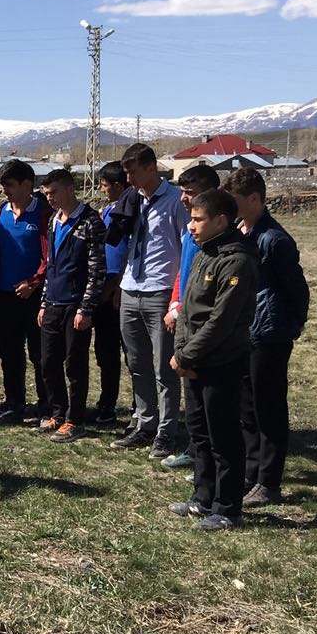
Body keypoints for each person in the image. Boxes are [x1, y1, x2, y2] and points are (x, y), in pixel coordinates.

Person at [170, 188, 258, 531]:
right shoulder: (204, 253)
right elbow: (187, 311)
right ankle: (203, 497)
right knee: (200, 433)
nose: (191, 226)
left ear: (221, 220)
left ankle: (227, 508)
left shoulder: (236, 260)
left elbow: (221, 320)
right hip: (193, 362)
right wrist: (182, 352)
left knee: (223, 437)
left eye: (197, 219)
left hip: (221, 361)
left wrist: (187, 354)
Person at [227, 167, 309, 507]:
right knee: (247, 408)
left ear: (254, 199)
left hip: (269, 333)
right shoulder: (240, 231)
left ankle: (269, 482)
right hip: (245, 331)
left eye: (235, 200)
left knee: (269, 408)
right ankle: (251, 473)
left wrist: (292, 324)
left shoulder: (274, 240)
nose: (229, 206)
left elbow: (296, 289)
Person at [113, 142, 188, 457]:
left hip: (160, 291)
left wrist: (177, 299)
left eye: (133, 172)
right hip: (131, 288)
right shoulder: (133, 200)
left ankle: (166, 432)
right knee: (137, 363)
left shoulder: (175, 202)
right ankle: (145, 424)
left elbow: (187, 249)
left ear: (150, 168)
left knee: (163, 368)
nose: (128, 179)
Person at [35, 169, 107, 442]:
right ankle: (57, 413)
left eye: (53, 192)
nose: (50, 198)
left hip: (76, 305)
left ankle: (75, 420)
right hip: (53, 302)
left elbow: (97, 270)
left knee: (75, 366)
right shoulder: (53, 220)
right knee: (48, 362)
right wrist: (44, 302)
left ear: (69, 189)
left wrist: (86, 308)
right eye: (46, 194)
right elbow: (51, 265)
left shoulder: (90, 221)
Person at [160, 164, 220, 469]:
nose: (183, 198)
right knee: (192, 394)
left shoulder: (214, 239)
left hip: (202, 322)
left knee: (208, 395)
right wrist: (175, 303)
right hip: (184, 317)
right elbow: (182, 272)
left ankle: (209, 458)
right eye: (182, 192)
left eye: (189, 192)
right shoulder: (191, 231)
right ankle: (196, 451)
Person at [0, 159, 51, 425]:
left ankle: (47, 405)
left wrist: (34, 282)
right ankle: (14, 402)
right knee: (9, 352)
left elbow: (50, 256)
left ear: (27, 185)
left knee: (39, 353)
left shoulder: (44, 214)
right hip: (5, 295)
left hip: (35, 297)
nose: (5, 191)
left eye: (9, 185)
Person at [92, 162, 129, 424]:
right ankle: (107, 403)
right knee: (105, 353)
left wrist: (117, 286)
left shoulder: (129, 214)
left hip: (120, 291)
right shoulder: (105, 212)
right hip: (101, 288)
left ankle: (140, 407)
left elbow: (129, 251)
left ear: (118, 185)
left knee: (131, 355)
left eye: (105, 186)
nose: (102, 190)